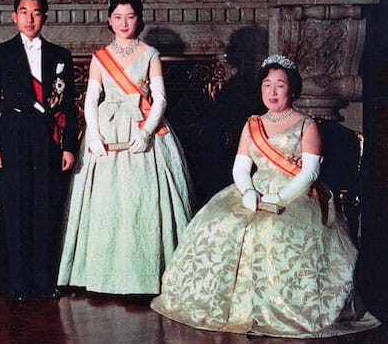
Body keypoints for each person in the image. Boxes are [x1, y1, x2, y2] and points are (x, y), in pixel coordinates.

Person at [151, 54, 381, 337]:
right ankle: (221, 305)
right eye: (267, 84)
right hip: (254, 189)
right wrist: (247, 190)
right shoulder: (252, 124)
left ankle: (272, 308)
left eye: (280, 85)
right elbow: (240, 167)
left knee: (274, 230)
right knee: (216, 223)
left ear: (292, 90)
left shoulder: (307, 125)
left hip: (296, 194)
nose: (272, 92)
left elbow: (309, 174)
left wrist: (279, 197)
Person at [57, 0, 194, 294]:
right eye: (117, 17)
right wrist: (93, 134)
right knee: (106, 203)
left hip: (142, 127)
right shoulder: (100, 57)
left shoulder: (150, 54)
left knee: (142, 200)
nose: (123, 22)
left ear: (139, 20)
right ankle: (101, 278)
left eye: (130, 16)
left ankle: (145, 276)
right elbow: (91, 99)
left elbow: (159, 99)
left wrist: (146, 133)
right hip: (107, 131)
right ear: (109, 20)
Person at [0, 0, 77, 301]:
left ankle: (44, 280)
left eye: (36, 13)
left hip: (48, 139)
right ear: (14, 16)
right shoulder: (0, 53)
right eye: (24, 12)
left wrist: (68, 146)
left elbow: (69, 106)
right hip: (13, 137)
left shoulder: (61, 55)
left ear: (45, 18)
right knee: (17, 210)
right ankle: (20, 284)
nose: (30, 18)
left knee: (45, 208)